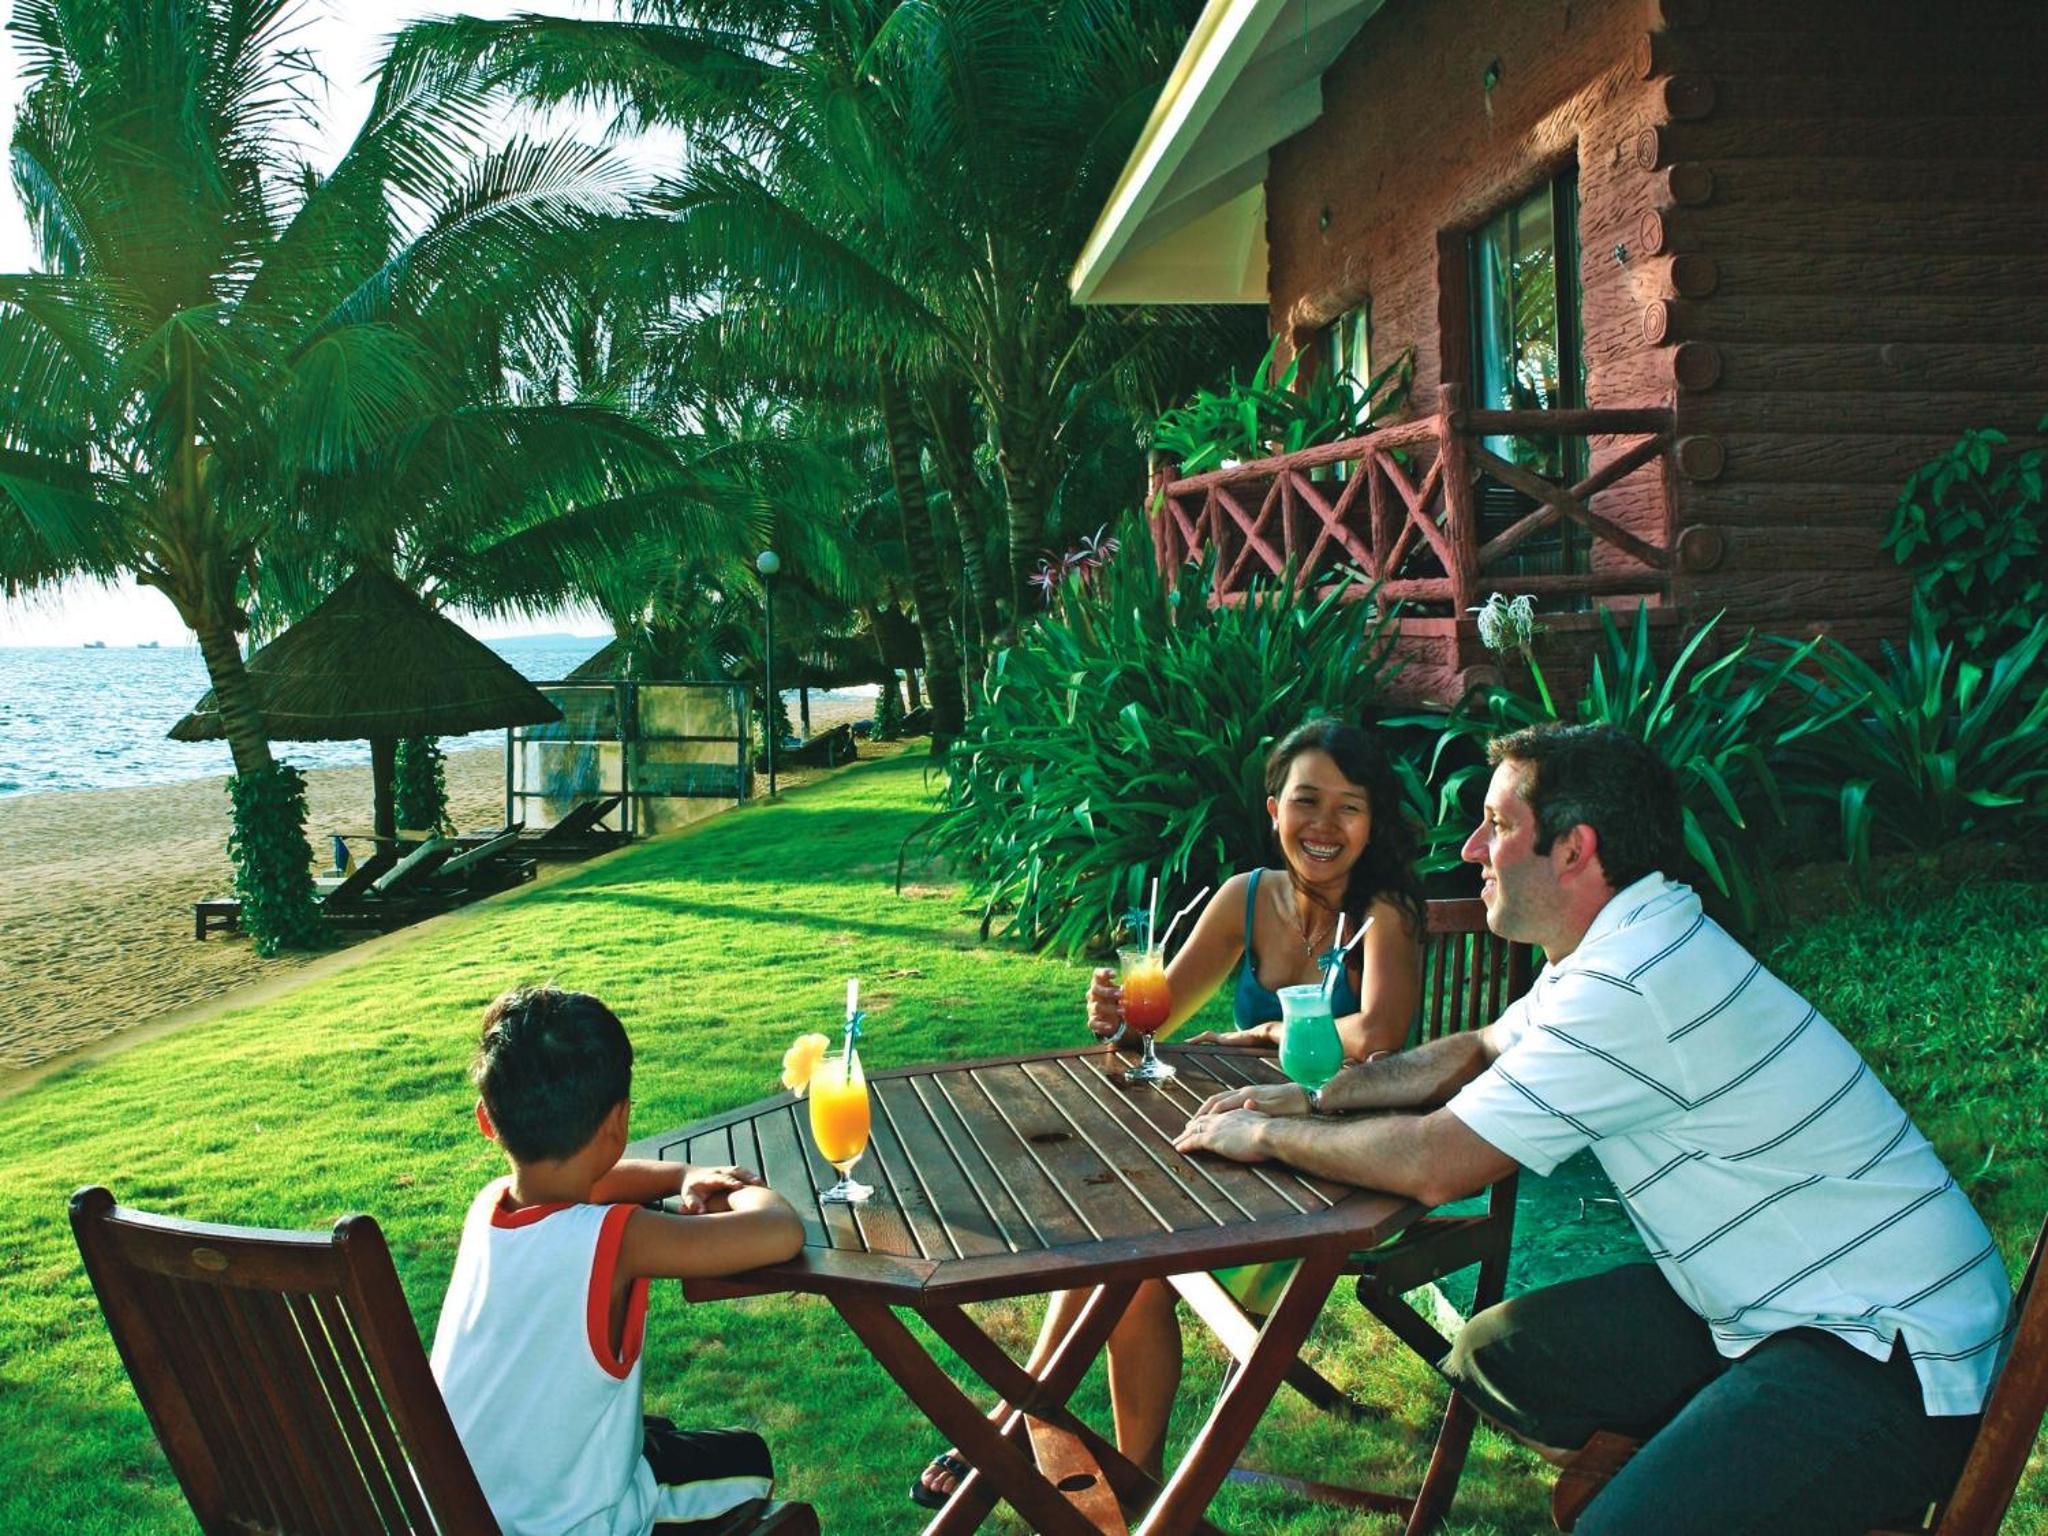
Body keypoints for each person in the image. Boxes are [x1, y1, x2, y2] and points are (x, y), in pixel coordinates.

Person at [1173, 723, 2014, 1536]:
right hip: (1776, 1304)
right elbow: (1469, 1051)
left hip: (1895, 1355)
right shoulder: (1621, 941)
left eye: (1498, 825)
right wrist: (1317, 1103)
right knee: (1499, 1356)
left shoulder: (1632, 980)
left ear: (1573, 849)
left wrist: (1271, 1139)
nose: (1471, 850)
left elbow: (1439, 1163)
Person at [912, 717, 1426, 1508]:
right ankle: (1063, 1445)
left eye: (1349, 807)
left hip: (1344, 1174)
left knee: (1137, 1263)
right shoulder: (1245, 898)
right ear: (1272, 809)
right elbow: (1158, 1018)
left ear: (1374, 819)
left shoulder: (1381, 913)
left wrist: (1262, 1030)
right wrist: (1119, 1015)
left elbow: (1379, 1031)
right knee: (1110, 1234)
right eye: (1306, 801)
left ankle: (1094, 1466)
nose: (1323, 826)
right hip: (1249, 1152)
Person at [431, 986, 806, 1536]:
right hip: (574, 1524)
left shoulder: (489, 1205)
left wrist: (681, 1177)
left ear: (487, 1120)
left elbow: (598, 1182)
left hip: (458, 1512)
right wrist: (739, 1188)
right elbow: (780, 1233)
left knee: (661, 1436)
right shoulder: (616, 1240)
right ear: (619, 1120)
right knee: (747, 1459)